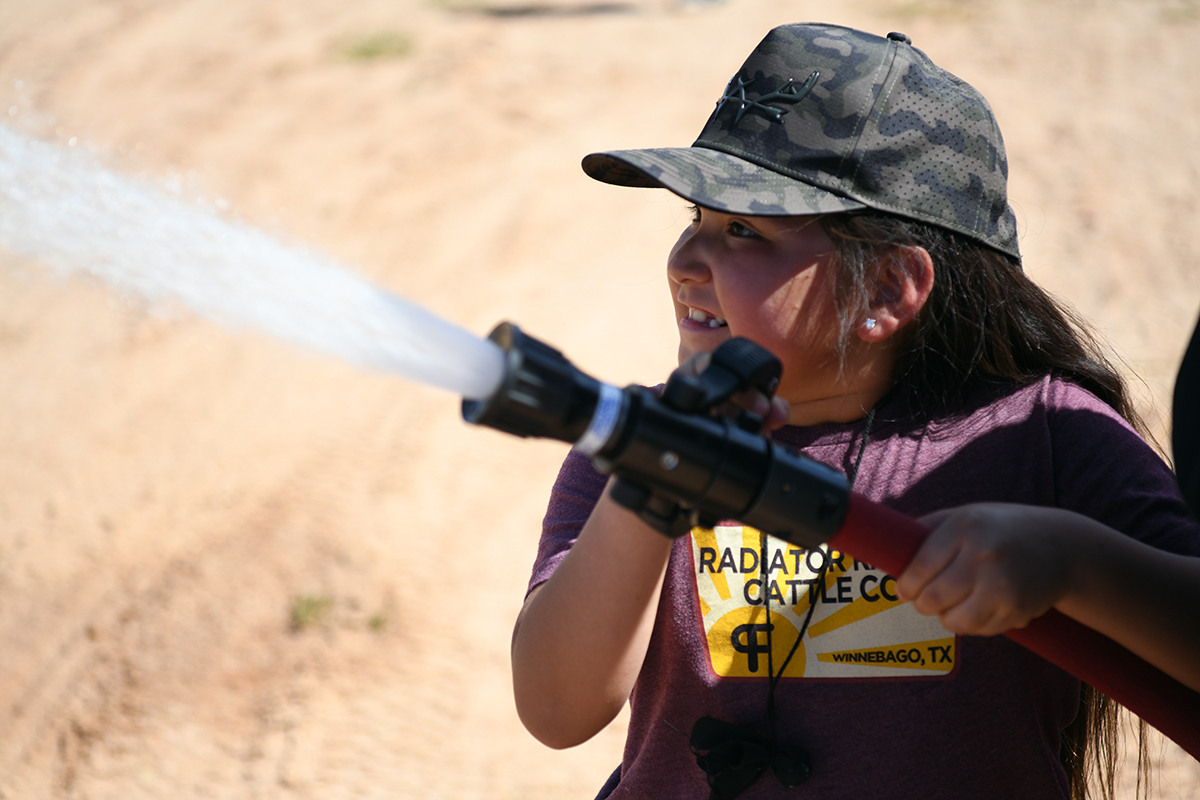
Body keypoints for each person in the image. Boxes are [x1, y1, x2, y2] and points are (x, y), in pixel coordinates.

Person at [511, 23, 1200, 800]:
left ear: (888, 290)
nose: (684, 263)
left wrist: (1073, 563)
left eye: (742, 230)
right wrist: (647, 490)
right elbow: (556, 709)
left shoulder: (1044, 438)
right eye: (691, 221)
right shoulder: (637, 441)